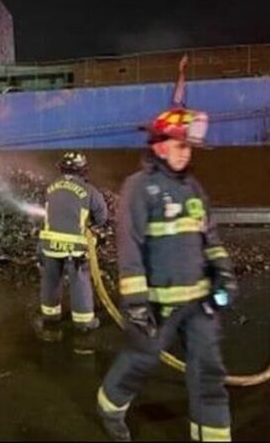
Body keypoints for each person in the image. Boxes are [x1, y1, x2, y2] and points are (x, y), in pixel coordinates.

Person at [96, 55, 238, 441]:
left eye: (189, 147)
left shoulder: (193, 189)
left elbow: (210, 237)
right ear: (159, 146)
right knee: (141, 359)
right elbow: (129, 246)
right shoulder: (139, 188)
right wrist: (136, 302)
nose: (185, 152)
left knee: (208, 372)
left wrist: (222, 273)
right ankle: (110, 405)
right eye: (179, 145)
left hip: (200, 303)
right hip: (157, 305)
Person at [36, 151, 108, 333]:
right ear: (83, 170)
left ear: (61, 168)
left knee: (51, 279)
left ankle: (50, 315)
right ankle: (83, 321)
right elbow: (102, 216)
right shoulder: (89, 190)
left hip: (49, 243)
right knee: (80, 280)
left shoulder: (51, 187)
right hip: (74, 246)